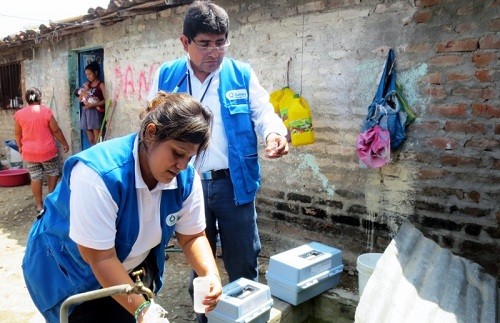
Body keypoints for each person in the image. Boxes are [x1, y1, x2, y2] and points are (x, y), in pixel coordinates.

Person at [22, 92, 222, 323]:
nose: (182, 165)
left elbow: (192, 236)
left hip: (122, 267)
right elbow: (101, 259)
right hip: (68, 270)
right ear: (150, 134)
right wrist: (143, 311)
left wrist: (211, 275)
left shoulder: (185, 178)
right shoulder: (98, 175)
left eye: (190, 157)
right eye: (177, 153)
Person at [148, 2, 289, 321]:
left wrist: (273, 134)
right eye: (205, 43)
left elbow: (263, 112)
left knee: (243, 260)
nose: (215, 51)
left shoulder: (240, 73)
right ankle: (204, 318)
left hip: (233, 184)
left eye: (221, 41)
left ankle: (248, 315)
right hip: (185, 186)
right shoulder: (166, 76)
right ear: (185, 42)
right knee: (200, 263)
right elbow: (149, 126)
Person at [14, 87, 69, 216]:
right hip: (47, 151)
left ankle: (39, 206)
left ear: (27, 99)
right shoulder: (46, 112)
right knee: (53, 172)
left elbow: (17, 134)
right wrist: (65, 143)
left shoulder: (19, 114)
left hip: (30, 152)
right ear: (40, 98)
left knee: (35, 177)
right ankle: (50, 202)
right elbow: (56, 130)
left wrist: (20, 146)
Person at [78, 61, 106, 146]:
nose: (88, 76)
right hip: (86, 112)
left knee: (97, 139)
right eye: (86, 75)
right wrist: (84, 91)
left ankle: (98, 156)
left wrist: (93, 105)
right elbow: (80, 99)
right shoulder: (87, 85)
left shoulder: (101, 85)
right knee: (91, 139)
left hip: (95, 112)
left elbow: (105, 100)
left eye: (90, 74)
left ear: (96, 73)